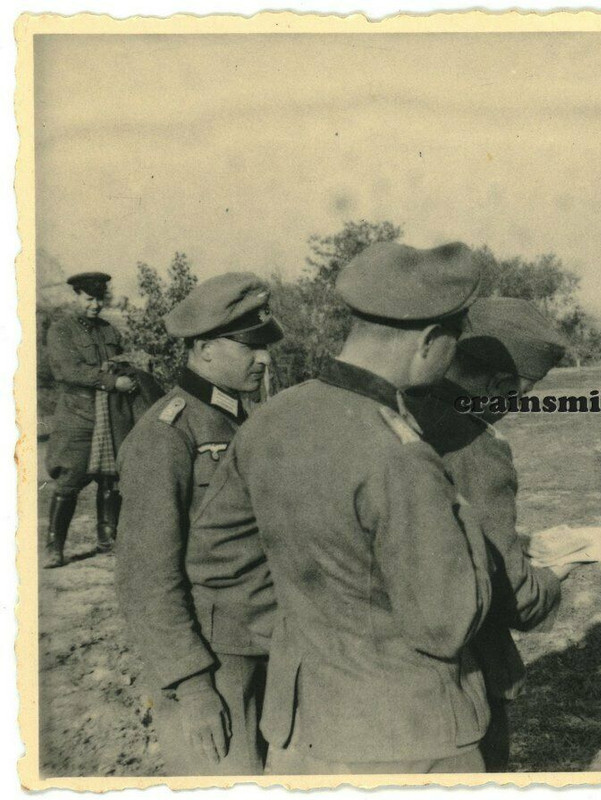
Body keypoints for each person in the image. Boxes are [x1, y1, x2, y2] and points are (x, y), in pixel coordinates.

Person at [189, 241, 494, 774]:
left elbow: (215, 556)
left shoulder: (269, 418)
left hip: (301, 733)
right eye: (456, 341)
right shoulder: (400, 452)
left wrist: (309, 625)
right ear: (429, 341)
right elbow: (445, 623)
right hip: (407, 739)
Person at [114, 273, 284, 775]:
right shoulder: (166, 435)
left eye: (267, 346)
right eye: (251, 346)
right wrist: (191, 685)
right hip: (212, 665)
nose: (265, 359)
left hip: (266, 641)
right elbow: (145, 576)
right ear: (205, 349)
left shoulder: (241, 421)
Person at [407, 297, 574, 772]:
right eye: (520, 394)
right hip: (464, 676)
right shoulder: (477, 447)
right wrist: (560, 569)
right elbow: (514, 600)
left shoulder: (395, 412)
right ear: (500, 385)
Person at [44, 271, 134, 566]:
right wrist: (110, 381)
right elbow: (67, 371)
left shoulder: (110, 331)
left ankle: (107, 540)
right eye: (88, 298)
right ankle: (55, 548)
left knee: (111, 478)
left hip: (111, 414)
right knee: (69, 480)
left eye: (99, 299)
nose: (95, 305)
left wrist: (125, 372)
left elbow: (121, 363)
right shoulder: (61, 330)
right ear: (76, 297)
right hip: (77, 415)